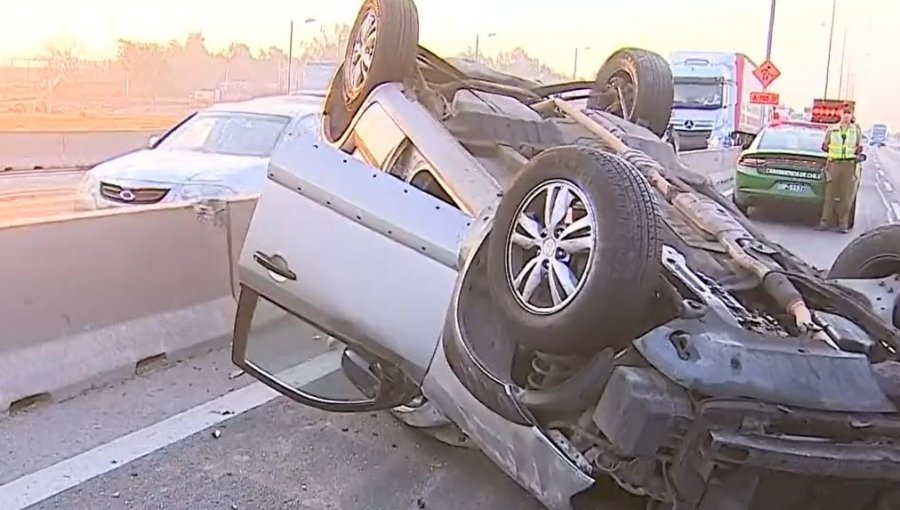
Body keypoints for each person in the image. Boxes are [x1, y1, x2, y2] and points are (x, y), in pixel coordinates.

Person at [817, 105, 863, 233]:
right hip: (834, 164)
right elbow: (824, 146)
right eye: (845, 113)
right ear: (840, 114)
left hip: (849, 165)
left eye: (849, 113)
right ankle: (824, 223)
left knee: (846, 196)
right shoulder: (832, 130)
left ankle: (843, 225)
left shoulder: (856, 130)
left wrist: (857, 154)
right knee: (830, 195)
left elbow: (859, 146)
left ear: (852, 115)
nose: (847, 116)